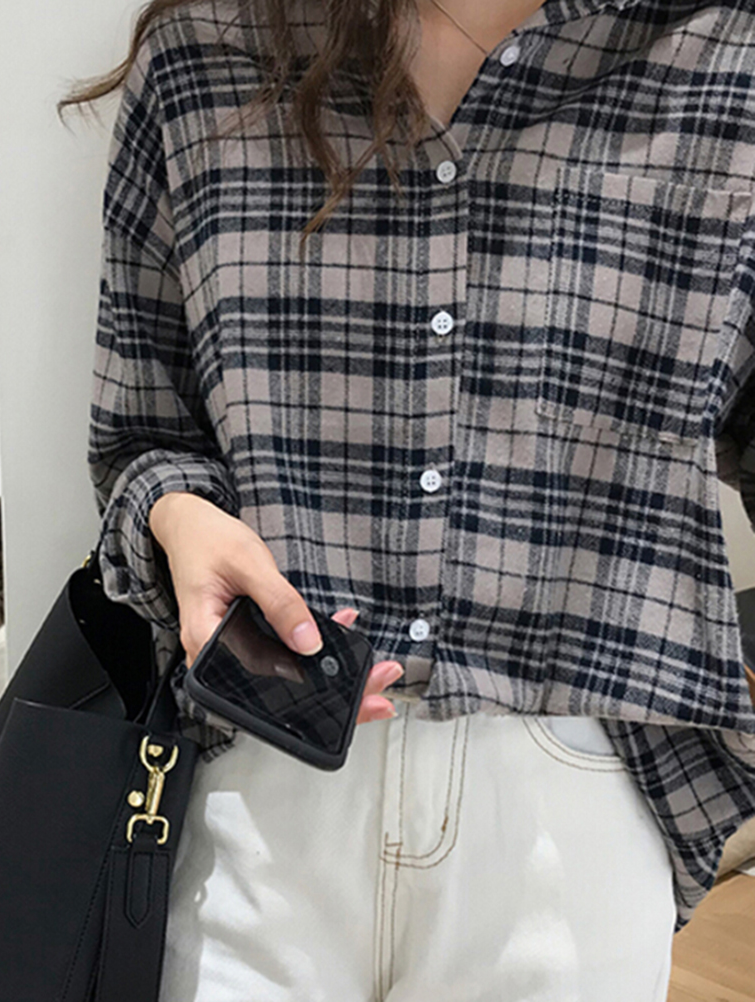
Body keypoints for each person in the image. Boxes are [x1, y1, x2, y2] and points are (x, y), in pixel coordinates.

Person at [62, 0, 755, 996]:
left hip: (573, 795)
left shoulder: (725, 53)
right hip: (260, 777)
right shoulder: (208, 55)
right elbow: (141, 434)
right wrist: (180, 517)